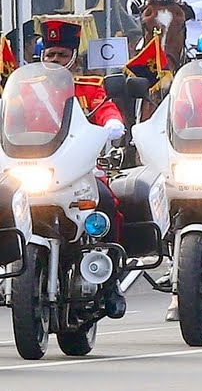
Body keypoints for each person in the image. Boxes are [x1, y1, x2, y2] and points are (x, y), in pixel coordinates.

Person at [38, 20, 129, 318]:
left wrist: (112, 123)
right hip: (35, 171)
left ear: (74, 58)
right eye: (50, 55)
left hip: (78, 173)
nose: (54, 61)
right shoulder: (29, 91)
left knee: (107, 201)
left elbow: (105, 109)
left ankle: (111, 280)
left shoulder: (88, 88)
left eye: (61, 56)